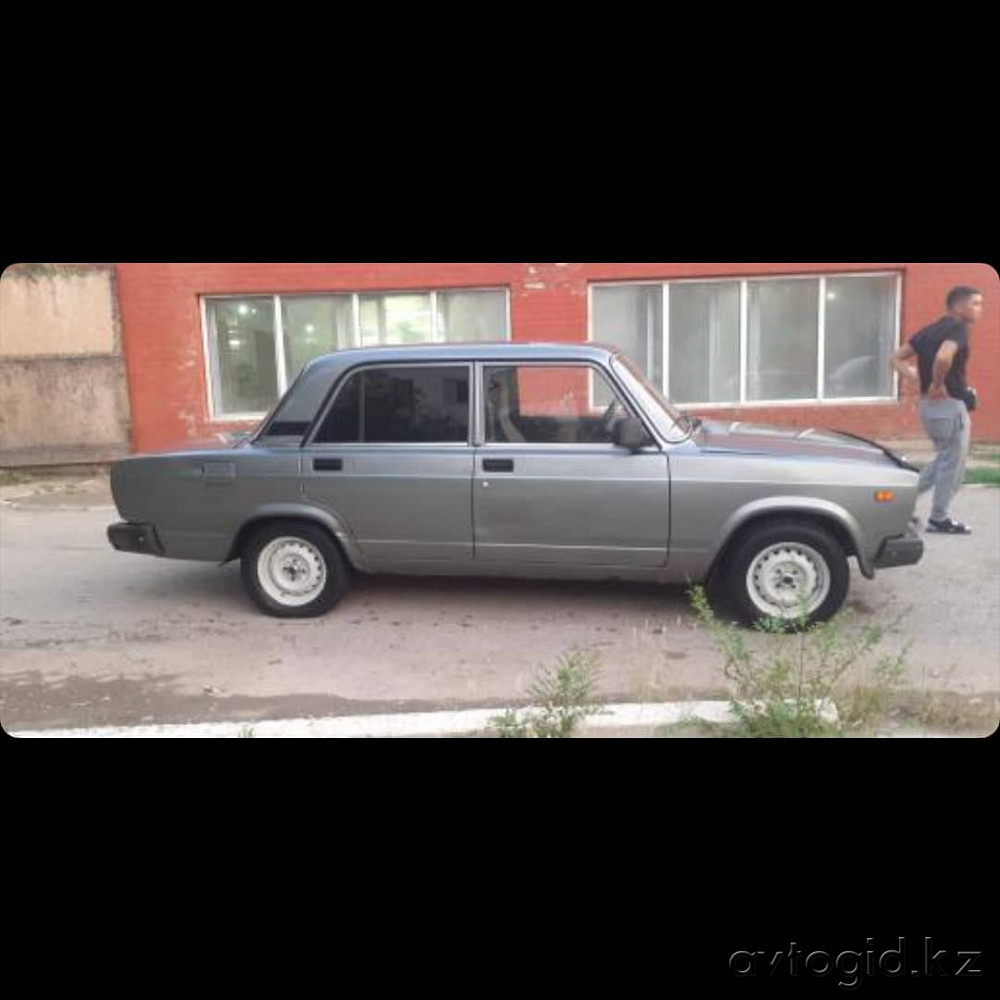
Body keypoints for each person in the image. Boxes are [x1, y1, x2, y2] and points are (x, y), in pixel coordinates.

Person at [890, 285, 983, 534]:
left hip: (928, 407)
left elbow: (895, 358)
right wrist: (936, 383)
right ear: (959, 306)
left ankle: (900, 505)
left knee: (944, 460)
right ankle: (939, 518)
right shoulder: (957, 328)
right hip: (948, 406)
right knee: (952, 464)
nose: (979, 309)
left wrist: (917, 378)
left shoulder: (929, 330)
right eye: (975, 304)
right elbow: (944, 356)